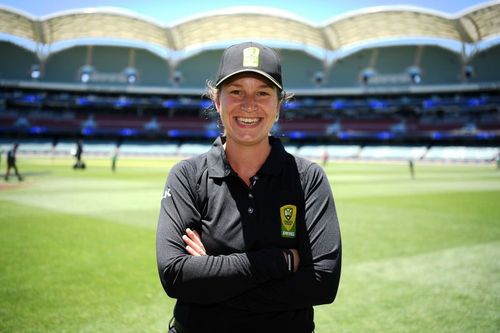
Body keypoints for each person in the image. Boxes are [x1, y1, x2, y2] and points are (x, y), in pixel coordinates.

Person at [156, 42, 342, 333]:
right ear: (217, 101)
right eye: (236, 91)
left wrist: (212, 279)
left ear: (278, 105)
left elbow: (323, 283)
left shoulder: (308, 179)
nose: (249, 104)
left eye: (263, 93)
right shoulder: (187, 176)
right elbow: (175, 274)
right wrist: (281, 260)